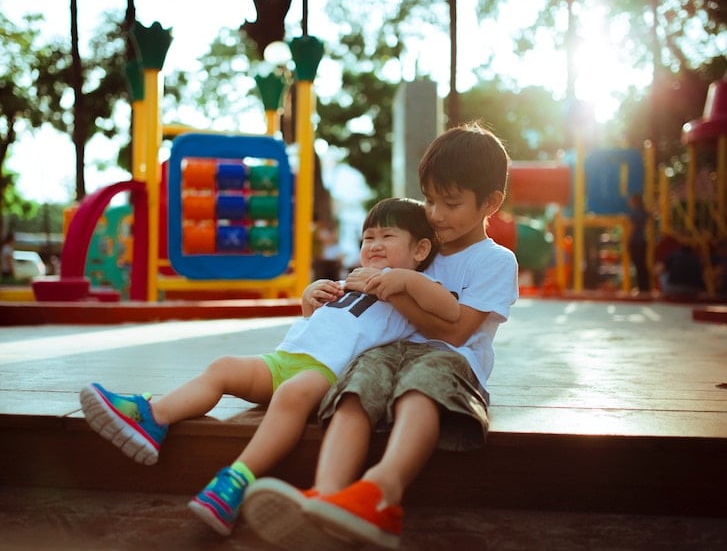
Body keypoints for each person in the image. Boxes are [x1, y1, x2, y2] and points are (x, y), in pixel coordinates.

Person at [79, 197, 459, 537]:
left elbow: (448, 309)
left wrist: (399, 279)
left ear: (421, 249)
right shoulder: (353, 280)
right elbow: (325, 320)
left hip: (327, 373)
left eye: (387, 237)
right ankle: (154, 417)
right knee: (224, 366)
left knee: (292, 395)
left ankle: (235, 481)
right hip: (284, 359)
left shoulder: (413, 289)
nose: (373, 245)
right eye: (367, 238)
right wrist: (311, 298)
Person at [242, 123, 519, 549]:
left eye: (451, 203)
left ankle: (380, 492)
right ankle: (328, 496)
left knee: (420, 387)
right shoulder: (420, 244)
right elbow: (369, 303)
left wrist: (398, 284)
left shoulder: (495, 261)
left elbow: (459, 330)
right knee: (355, 385)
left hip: (452, 361)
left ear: (491, 203)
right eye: (429, 200)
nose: (436, 214)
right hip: (389, 351)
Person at [627, 193, 651, 293]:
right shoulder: (644, 212)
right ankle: (645, 287)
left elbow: (632, 228)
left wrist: (627, 240)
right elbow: (651, 217)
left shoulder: (634, 213)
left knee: (638, 264)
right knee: (642, 265)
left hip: (635, 241)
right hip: (643, 241)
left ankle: (642, 288)